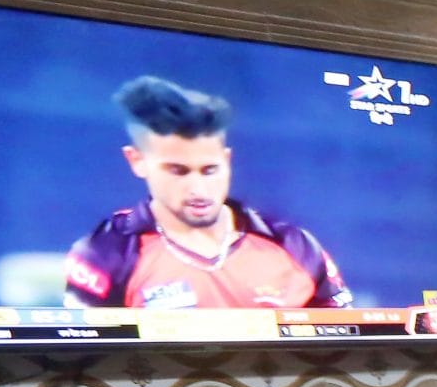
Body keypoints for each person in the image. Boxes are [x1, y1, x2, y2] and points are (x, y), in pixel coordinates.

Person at [63, 75, 351, 311]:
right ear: (137, 161)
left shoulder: (293, 245)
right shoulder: (106, 252)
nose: (198, 189)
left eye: (209, 170)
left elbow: (347, 336)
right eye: (178, 171)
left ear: (226, 160)